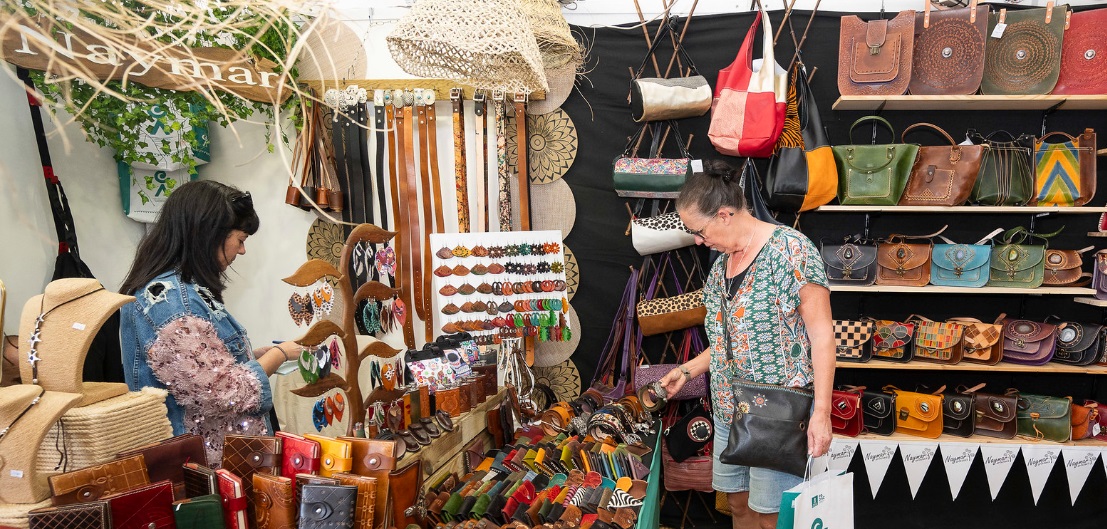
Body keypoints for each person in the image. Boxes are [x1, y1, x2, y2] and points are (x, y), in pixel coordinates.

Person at [659, 160, 834, 529]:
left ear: (724, 215)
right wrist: (685, 370)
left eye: (699, 230)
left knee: (771, 517)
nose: (697, 240)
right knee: (738, 507)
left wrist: (822, 412)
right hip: (726, 409)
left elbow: (822, 335)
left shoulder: (791, 251)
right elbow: (725, 342)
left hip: (777, 414)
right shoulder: (720, 266)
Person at [119, 180, 299, 464]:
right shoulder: (173, 302)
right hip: (204, 467)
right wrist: (279, 355)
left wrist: (251, 357)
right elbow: (222, 392)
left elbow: (198, 372)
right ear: (210, 234)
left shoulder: (179, 294)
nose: (242, 251)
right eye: (240, 240)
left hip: (214, 460)